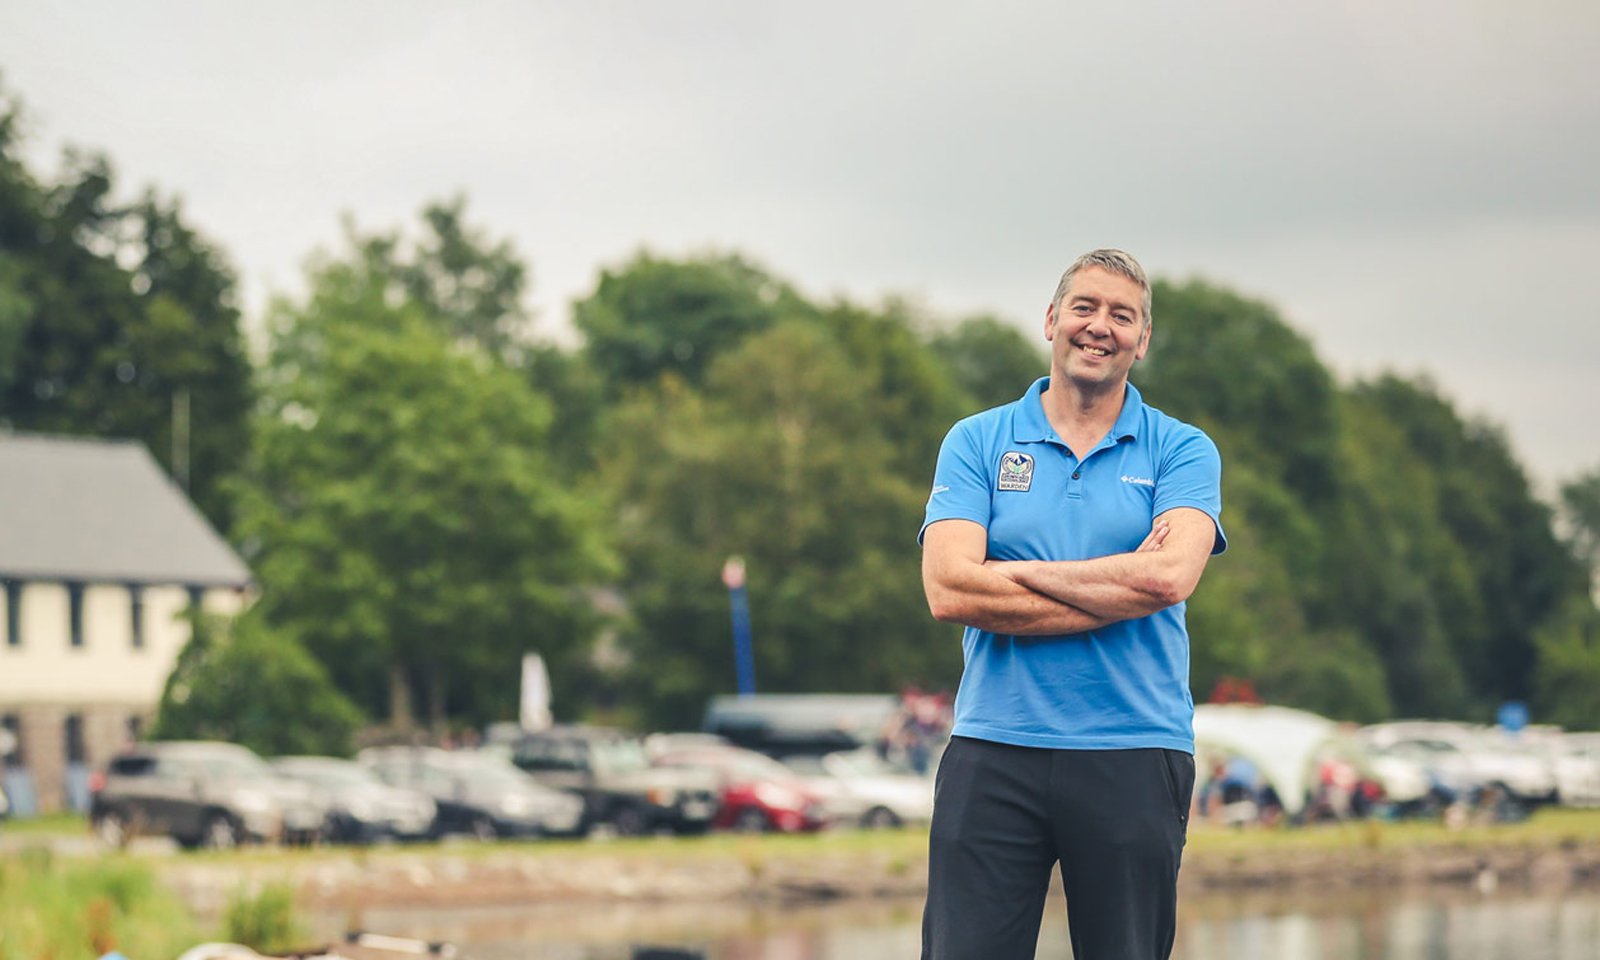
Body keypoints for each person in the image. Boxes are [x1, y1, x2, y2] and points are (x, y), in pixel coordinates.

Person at [918, 249, 1226, 960]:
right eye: (1085, 307)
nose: (1100, 327)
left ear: (1142, 342)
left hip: (1134, 747)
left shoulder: (1183, 450)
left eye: (1123, 316)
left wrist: (1013, 574)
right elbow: (948, 589)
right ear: (1052, 320)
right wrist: (1120, 580)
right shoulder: (977, 441)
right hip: (995, 745)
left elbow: (1168, 580)